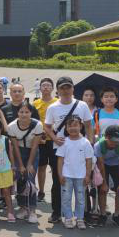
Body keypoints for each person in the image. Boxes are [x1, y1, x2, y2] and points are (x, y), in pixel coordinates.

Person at [44, 77, 94, 224]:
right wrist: (54, 138)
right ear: (58, 90)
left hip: (79, 147)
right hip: (60, 148)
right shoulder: (53, 107)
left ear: (73, 89)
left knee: (82, 180)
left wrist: (90, 143)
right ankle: (57, 212)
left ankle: (84, 213)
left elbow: (88, 125)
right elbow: (47, 126)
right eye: (62, 88)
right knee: (58, 180)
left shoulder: (82, 105)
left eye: (68, 87)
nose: (65, 91)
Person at [56, 116, 93, 230]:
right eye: (70, 126)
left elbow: (89, 160)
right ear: (66, 128)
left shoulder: (85, 142)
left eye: (75, 125)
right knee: (66, 198)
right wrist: (60, 175)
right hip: (67, 176)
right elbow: (60, 160)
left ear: (80, 126)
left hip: (81, 176)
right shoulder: (64, 142)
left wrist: (88, 175)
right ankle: (68, 218)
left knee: (80, 199)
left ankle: (79, 218)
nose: (73, 128)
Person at [8, 102, 43, 223]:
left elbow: (35, 146)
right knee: (20, 179)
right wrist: (21, 165)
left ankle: (32, 210)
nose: (24, 114)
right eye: (21, 112)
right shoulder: (12, 126)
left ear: (31, 113)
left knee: (30, 179)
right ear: (17, 113)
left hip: (32, 153)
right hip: (19, 152)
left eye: (27, 112)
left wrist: (29, 164)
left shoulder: (37, 125)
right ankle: (22, 207)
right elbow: (15, 147)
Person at [94, 125, 119, 228]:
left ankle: (117, 215)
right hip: (103, 165)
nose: (115, 143)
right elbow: (101, 164)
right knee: (102, 190)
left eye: (118, 141)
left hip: (117, 165)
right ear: (106, 137)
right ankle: (102, 214)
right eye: (113, 141)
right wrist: (104, 183)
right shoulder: (98, 145)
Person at [33, 77, 58, 202]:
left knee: (55, 167)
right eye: (44, 85)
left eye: (49, 85)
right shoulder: (35, 103)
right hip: (41, 140)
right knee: (41, 167)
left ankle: (56, 190)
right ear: (40, 88)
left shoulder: (58, 102)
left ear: (52, 88)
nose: (46, 87)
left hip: (55, 139)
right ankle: (41, 191)